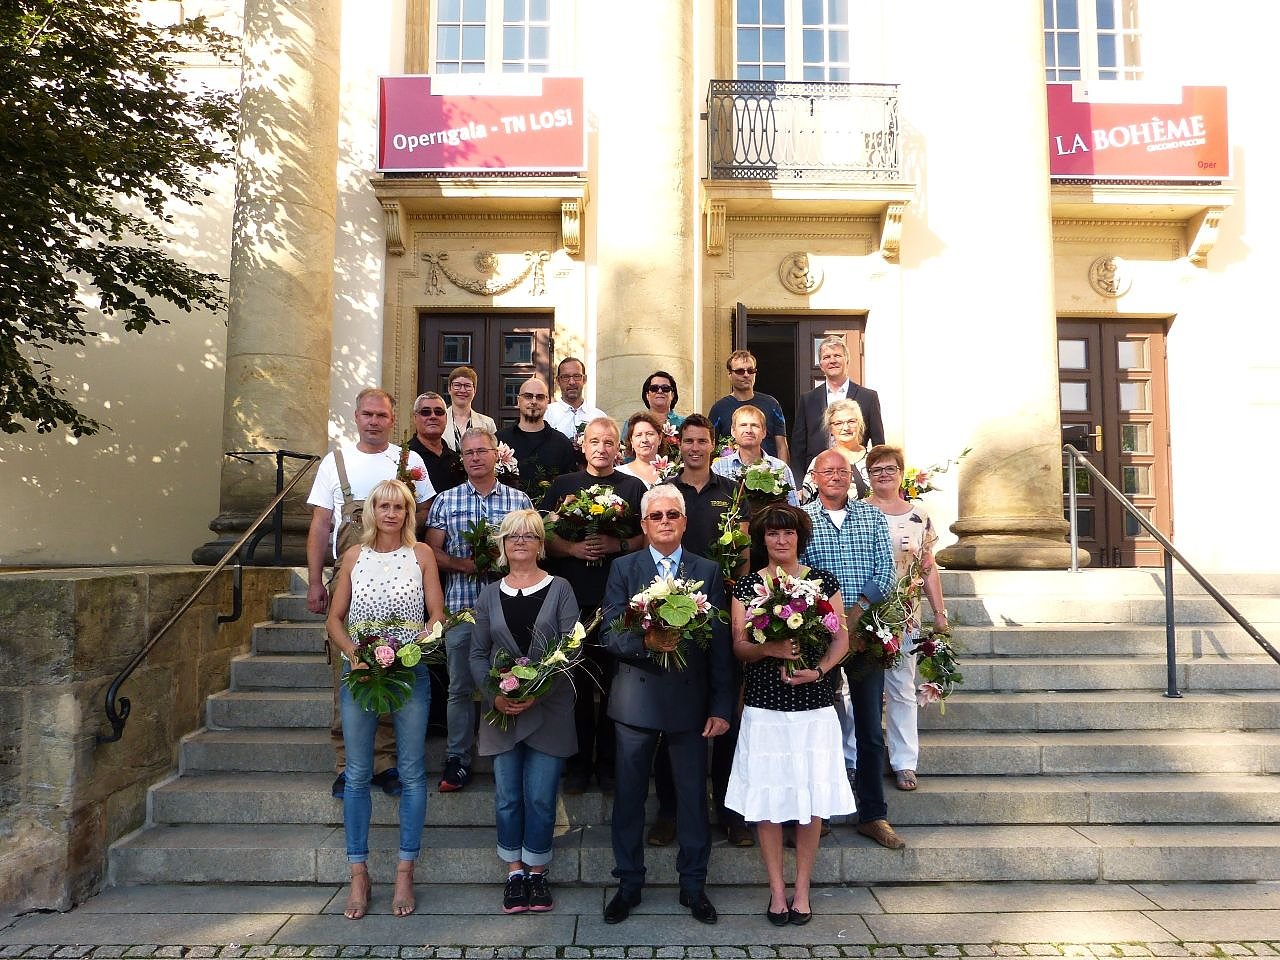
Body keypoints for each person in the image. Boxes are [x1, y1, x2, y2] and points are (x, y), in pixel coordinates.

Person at [600, 485, 734, 926]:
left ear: (684, 521)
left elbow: (719, 646)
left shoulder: (707, 571)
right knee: (629, 798)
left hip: (689, 704)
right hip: (635, 703)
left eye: (672, 514)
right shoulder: (623, 568)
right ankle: (628, 884)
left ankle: (693, 886)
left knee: (693, 799)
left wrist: (721, 706)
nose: (664, 522)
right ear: (643, 524)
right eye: (655, 516)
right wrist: (647, 642)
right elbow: (609, 633)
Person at [724, 503, 854, 925]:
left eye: (788, 533)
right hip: (765, 705)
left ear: (800, 537)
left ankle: (802, 890)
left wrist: (819, 670)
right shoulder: (748, 587)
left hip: (813, 704)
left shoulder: (822, 582)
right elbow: (740, 646)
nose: (781, 540)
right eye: (772, 534)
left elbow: (841, 640)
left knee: (811, 799)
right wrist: (771, 648)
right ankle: (777, 891)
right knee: (767, 799)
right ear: (762, 539)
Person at [325, 478, 446, 920]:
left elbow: (437, 616)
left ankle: (404, 872)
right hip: (361, 672)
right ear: (371, 512)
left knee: (412, 772)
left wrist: (415, 646)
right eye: (384, 506)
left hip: (409, 670)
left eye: (399, 507)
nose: (391, 513)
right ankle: (358, 874)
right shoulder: (353, 556)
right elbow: (334, 620)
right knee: (357, 773)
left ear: (408, 512)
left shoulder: (422, 554)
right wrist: (355, 655)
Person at [307, 388, 436, 799]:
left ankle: (386, 761)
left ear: (392, 419)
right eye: (368, 414)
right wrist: (315, 580)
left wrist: (407, 555)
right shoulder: (335, 462)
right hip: (351, 577)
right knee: (350, 670)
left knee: (393, 667)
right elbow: (321, 525)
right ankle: (347, 763)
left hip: (398, 582)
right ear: (356, 417)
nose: (374, 421)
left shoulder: (409, 460)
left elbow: (424, 512)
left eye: (382, 415)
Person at [469, 509, 581, 915]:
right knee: (507, 798)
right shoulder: (488, 594)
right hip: (501, 711)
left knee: (540, 797)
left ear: (540, 544)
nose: (520, 541)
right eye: (513, 535)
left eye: (529, 535)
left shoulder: (561, 588)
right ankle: (514, 872)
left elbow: (572, 648)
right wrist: (493, 695)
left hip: (548, 710)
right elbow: (477, 653)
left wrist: (539, 691)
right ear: (502, 544)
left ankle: (537, 871)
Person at [649, 414, 748, 848]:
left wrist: (737, 598)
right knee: (670, 719)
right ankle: (668, 812)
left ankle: (730, 814)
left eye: (701, 441)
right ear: (680, 446)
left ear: (713, 445)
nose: (694, 447)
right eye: (687, 441)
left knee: (725, 713)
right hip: (672, 615)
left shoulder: (732, 492)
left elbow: (743, 551)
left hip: (720, 610)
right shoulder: (666, 491)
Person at [540, 417, 648, 794]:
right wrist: (571, 548)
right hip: (572, 601)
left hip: (618, 602)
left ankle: (609, 766)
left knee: (616, 687)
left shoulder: (632, 487)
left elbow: (646, 537)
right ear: (583, 446)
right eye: (595, 442)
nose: (601, 448)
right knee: (576, 688)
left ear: (619, 448)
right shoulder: (564, 486)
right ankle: (579, 765)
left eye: (609, 442)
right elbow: (543, 537)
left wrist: (617, 545)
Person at [800, 450, 901, 849]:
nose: (836, 476)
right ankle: (818, 815)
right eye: (828, 471)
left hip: (865, 636)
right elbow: (798, 573)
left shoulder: (871, 516)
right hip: (819, 638)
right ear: (815, 477)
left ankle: (873, 814)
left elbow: (886, 571)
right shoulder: (803, 519)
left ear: (851, 476)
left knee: (869, 729)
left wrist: (856, 613)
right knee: (820, 727)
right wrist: (832, 621)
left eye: (842, 470)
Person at [426, 427, 533, 793]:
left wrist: (504, 561)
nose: (475, 457)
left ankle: (507, 751)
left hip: (510, 608)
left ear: (495, 455)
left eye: (481, 451)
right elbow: (431, 552)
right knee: (459, 687)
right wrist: (464, 564)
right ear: (462, 459)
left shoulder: (519, 500)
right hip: (462, 609)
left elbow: (533, 548)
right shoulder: (446, 500)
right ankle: (457, 758)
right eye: (468, 452)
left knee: (509, 679)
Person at [863, 445, 949, 792]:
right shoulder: (858, 511)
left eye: (890, 468)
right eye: (876, 469)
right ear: (868, 476)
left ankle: (904, 762)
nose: (884, 474)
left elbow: (927, 566)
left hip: (905, 615)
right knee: (856, 691)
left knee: (900, 689)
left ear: (901, 473)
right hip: (864, 614)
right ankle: (855, 759)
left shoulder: (919, 516)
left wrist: (940, 613)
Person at [790, 335, 884, 481]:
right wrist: (798, 483)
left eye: (837, 355)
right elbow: (798, 448)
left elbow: (879, 444)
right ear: (821, 365)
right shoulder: (808, 400)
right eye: (826, 357)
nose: (832, 360)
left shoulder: (868, 397)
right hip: (817, 477)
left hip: (855, 477)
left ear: (847, 360)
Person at [496, 376, 577, 498]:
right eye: (528, 396)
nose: (534, 401)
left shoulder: (562, 443)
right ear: (518, 401)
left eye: (540, 397)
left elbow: (570, 486)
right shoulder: (499, 440)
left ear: (547, 402)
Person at [708, 349, 790, 462]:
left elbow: (781, 445)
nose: (746, 375)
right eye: (740, 371)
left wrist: (782, 471)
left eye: (751, 370)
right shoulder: (719, 409)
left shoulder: (772, 404)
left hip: (768, 470)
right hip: (730, 470)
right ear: (729, 375)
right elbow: (710, 446)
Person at [711, 404, 800, 507]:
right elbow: (712, 507)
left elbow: (794, 509)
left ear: (764, 432)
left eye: (754, 425)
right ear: (733, 431)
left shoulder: (781, 468)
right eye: (743, 425)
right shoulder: (718, 468)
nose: (749, 430)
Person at [799, 398, 871, 503]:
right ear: (830, 428)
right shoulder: (820, 461)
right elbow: (807, 500)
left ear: (859, 424)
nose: (846, 427)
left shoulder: (874, 459)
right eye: (838, 423)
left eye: (851, 421)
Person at [407, 391, 464, 499]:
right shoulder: (403, 457)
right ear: (415, 418)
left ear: (446, 418)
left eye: (438, 412)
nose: (433, 416)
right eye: (425, 412)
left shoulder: (456, 460)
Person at [546, 357, 604, 441]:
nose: (572, 382)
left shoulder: (598, 417)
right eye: (565, 377)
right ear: (558, 381)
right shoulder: (547, 414)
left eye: (576, 376)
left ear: (584, 379)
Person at [443, 366, 497, 451]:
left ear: (474, 390)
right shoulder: (439, 420)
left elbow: (492, 453)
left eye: (467, 386)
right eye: (457, 385)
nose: (462, 390)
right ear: (449, 389)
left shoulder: (487, 423)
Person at [614, 411, 668, 488]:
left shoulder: (672, 473)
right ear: (631, 441)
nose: (644, 440)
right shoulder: (618, 474)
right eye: (638, 435)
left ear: (659, 438)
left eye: (649, 434)